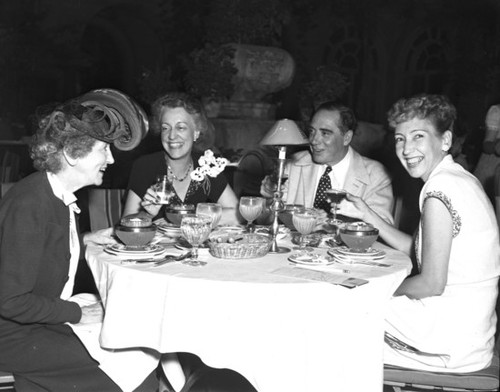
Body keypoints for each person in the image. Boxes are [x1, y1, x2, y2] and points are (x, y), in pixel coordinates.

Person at [0, 101, 158, 391]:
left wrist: (84, 239)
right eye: (104, 149)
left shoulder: (50, 192)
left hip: (36, 320)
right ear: (73, 154)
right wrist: (78, 313)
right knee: (132, 375)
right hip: (14, 335)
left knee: (137, 343)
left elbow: (36, 247)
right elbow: (9, 301)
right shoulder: (30, 204)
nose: (110, 160)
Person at [340, 94, 500, 372]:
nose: (406, 148)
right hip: (472, 333)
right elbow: (417, 249)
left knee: (336, 314)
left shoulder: (440, 193)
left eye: (418, 136)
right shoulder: (457, 178)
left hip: (446, 339)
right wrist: (367, 214)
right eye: (400, 138)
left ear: (446, 140)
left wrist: (381, 291)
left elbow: (431, 284)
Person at [260, 101, 394, 224]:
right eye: (312, 131)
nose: (313, 140)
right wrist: (270, 200)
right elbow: (266, 221)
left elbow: (382, 233)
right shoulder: (293, 165)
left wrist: (328, 223)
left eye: (325, 133)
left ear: (346, 137)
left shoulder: (376, 175)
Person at [122, 92, 239, 223]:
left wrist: (189, 219)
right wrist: (147, 214)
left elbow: (237, 214)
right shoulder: (145, 166)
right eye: (165, 128)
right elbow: (126, 224)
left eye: (181, 127)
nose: (172, 136)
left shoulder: (206, 166)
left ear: (196, 133)